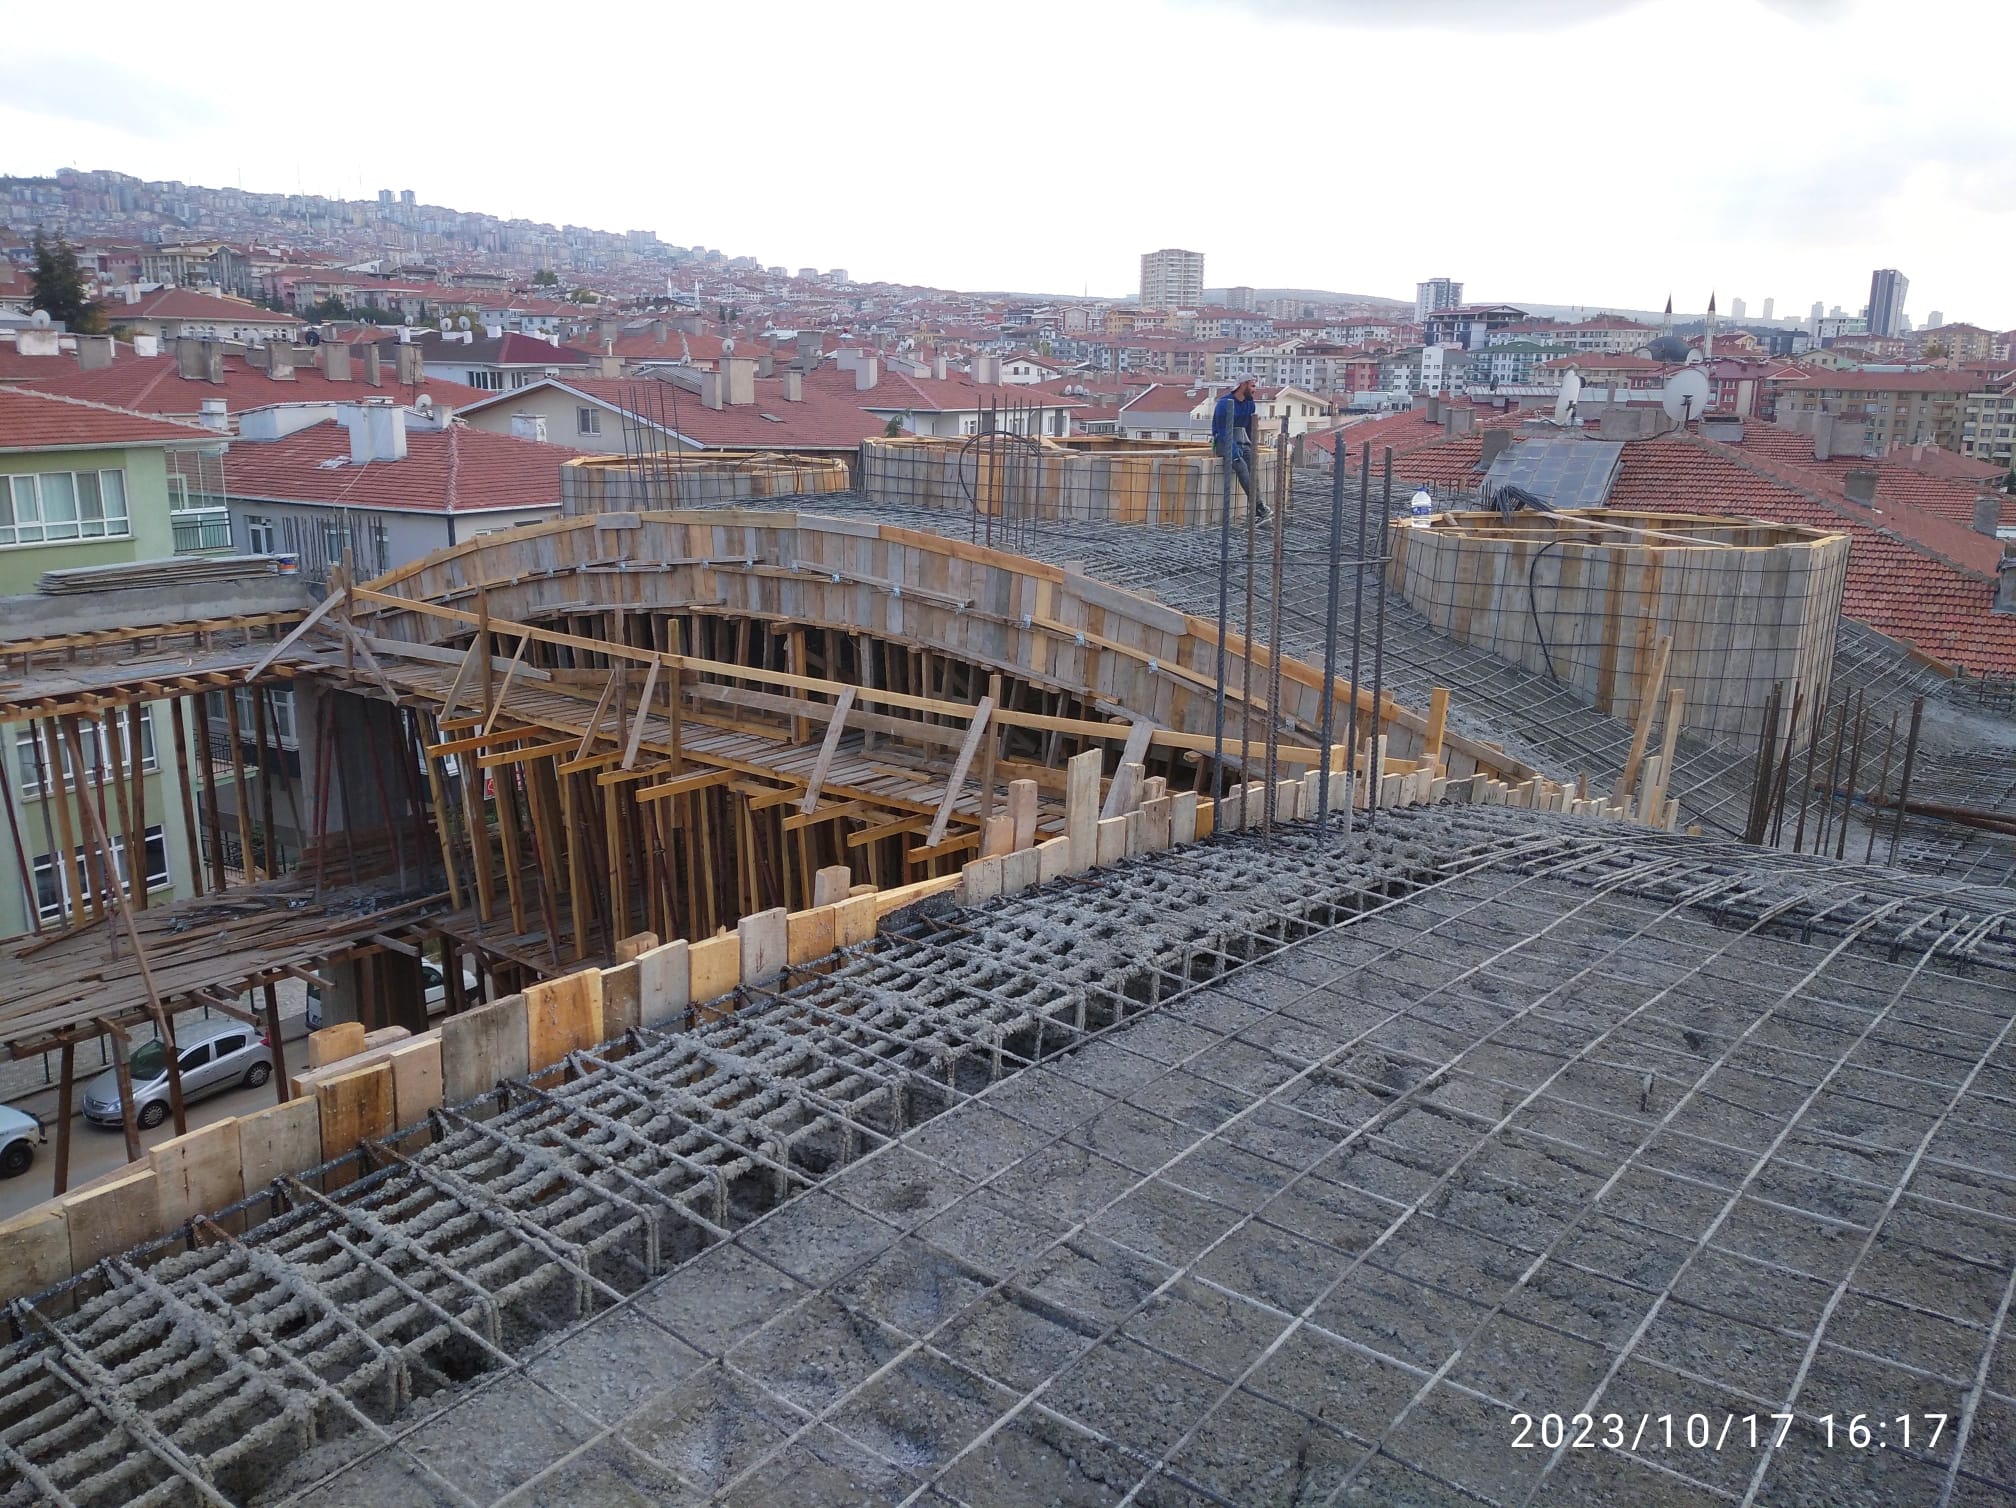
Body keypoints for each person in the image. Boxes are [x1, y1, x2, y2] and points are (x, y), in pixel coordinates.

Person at [1210, 377, 1267, 521]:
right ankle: (1259, 506)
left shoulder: (1250, 404)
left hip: (1241, 441)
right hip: (1224, 442)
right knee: (1241, 466)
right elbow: (1223, 431)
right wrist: (1234, 451)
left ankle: (1256, 509)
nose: (1254, 390)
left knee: (1252, 468)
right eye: (1252, 386)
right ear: (1243, 385)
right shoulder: (1224, 404)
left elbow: (1249, 429)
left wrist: (1251, 446)